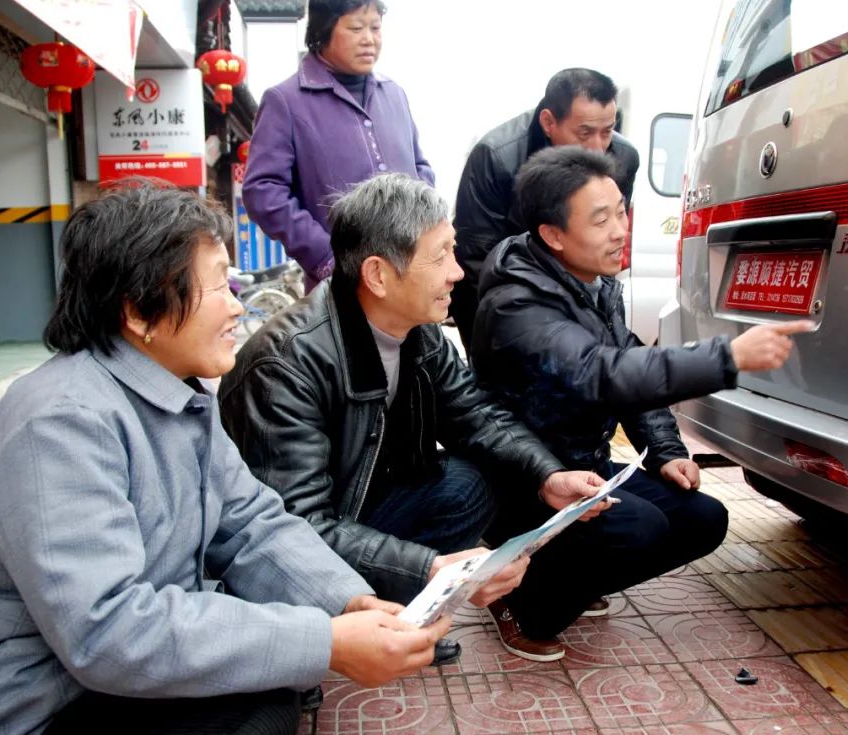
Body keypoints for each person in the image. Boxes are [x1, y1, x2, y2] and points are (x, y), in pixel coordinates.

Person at [0, 182, 452, 735]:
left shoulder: (178, 394)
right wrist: (323, 642)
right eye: (216, 287)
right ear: (138, 311)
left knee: (275, 690)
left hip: (105, 677)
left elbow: (253, 524)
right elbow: (105, 630)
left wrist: (347, 605)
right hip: (47, 700)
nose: (235, 306)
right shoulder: (59, 422)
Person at [219, 173, 607, 665]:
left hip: (356, 505)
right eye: (440, 255)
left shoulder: (420, 334)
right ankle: (334, 632)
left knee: (471, 481)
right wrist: (430, 567)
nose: (457, 273)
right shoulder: (287, 363)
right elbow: (295, 527)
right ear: (379, 275)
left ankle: (399, 620)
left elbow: (475, 415)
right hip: (297, 538)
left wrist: (547, 473)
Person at [470, 146, 814, 660]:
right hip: (525, 476)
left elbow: (628, 359)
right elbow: (602, 374)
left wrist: (668, 450)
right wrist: (726, 356)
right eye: (601, 219)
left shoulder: (594, 280)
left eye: (621, 211)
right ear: (554, 235)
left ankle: (563, 573)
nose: (619, 229)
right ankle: (522, 602)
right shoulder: (517, 303)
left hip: (584, 464)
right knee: (640, 529)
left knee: (704, 518)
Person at [243, 0, 432, 292]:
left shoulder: (394, 94)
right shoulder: (286, 101)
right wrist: (326, 256)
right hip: (341, 286)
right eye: (356, 28)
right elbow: (263, 192)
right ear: (324, 29)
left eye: (375, 27)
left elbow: (421, 168)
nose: (369, 39)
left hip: (408, 276)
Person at [450, 67, 640, 350]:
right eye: (585, 132)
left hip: (581, 296)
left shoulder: (623, 156)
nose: (598, 147)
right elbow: (476, 258)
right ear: (548, 122)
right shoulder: (495, 156)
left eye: (607, 132)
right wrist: (525, 320)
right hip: (503, 304)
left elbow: (604, 245)